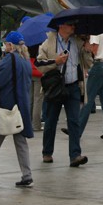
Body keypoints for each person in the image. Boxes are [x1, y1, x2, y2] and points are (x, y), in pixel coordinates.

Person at [0, 31, 34, 188]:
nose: (4, 47)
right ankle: (27, 175)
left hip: (5, 106)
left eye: (6, 44)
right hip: (21, 107)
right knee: (20, 142)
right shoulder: (25, 60)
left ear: (11, 45)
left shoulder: (9, 60)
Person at [37, 19, 91, 167]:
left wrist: (87, 50)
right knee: (51, 121)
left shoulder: (77, 42)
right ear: (61, 26)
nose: (73, 27)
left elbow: (89, 64)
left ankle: (75, 155)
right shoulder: (48, 42)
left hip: (73, 86)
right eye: (70, 24)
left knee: (74, 121)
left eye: (74, 24)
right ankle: (47, 152)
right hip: (55, 87)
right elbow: (40, 65)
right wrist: (56, 61)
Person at [77, 30, 103, 139]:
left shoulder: (96, 32)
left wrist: (86, 46)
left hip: (99, 65)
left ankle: (77, 129)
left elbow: (95, 49)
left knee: (88, 99)